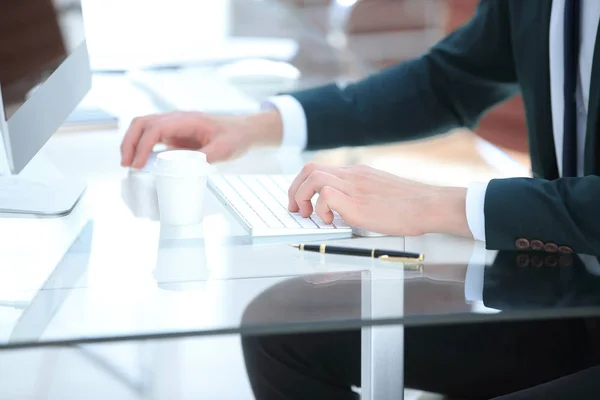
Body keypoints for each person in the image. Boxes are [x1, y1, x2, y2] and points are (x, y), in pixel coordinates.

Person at [120, 0, 600, 397]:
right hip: (571, 299)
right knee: (283, 330)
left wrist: (435, 203)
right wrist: (254, 128)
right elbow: (449, 81)